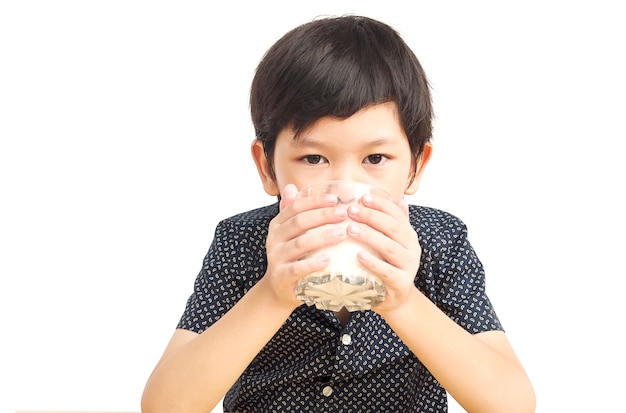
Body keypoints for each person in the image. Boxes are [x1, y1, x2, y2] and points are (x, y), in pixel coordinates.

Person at [141, 15, 536, 413]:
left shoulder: (439, 242)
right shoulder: (242, 242)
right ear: (267, 168)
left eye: (376, 158)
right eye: (314, 158)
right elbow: (165, 405)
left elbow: (512, 404)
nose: (346, 188)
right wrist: (272, 295)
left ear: (416, 166)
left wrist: (402, 302)